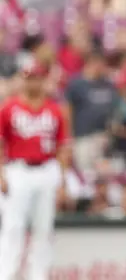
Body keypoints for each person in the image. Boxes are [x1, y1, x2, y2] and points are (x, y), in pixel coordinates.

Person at [0, 59, 70, 280]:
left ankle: (38, 276)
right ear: (22, 79)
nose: (33, 83)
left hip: (47, 169)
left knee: (43, 229)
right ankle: (6, 274)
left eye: (37, 77)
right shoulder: (9, 108)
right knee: (13, 227)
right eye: (29, 77)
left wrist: (62, 180)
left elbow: (62, 148)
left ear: (43, 80)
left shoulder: (54, 110)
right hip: (18, 169)